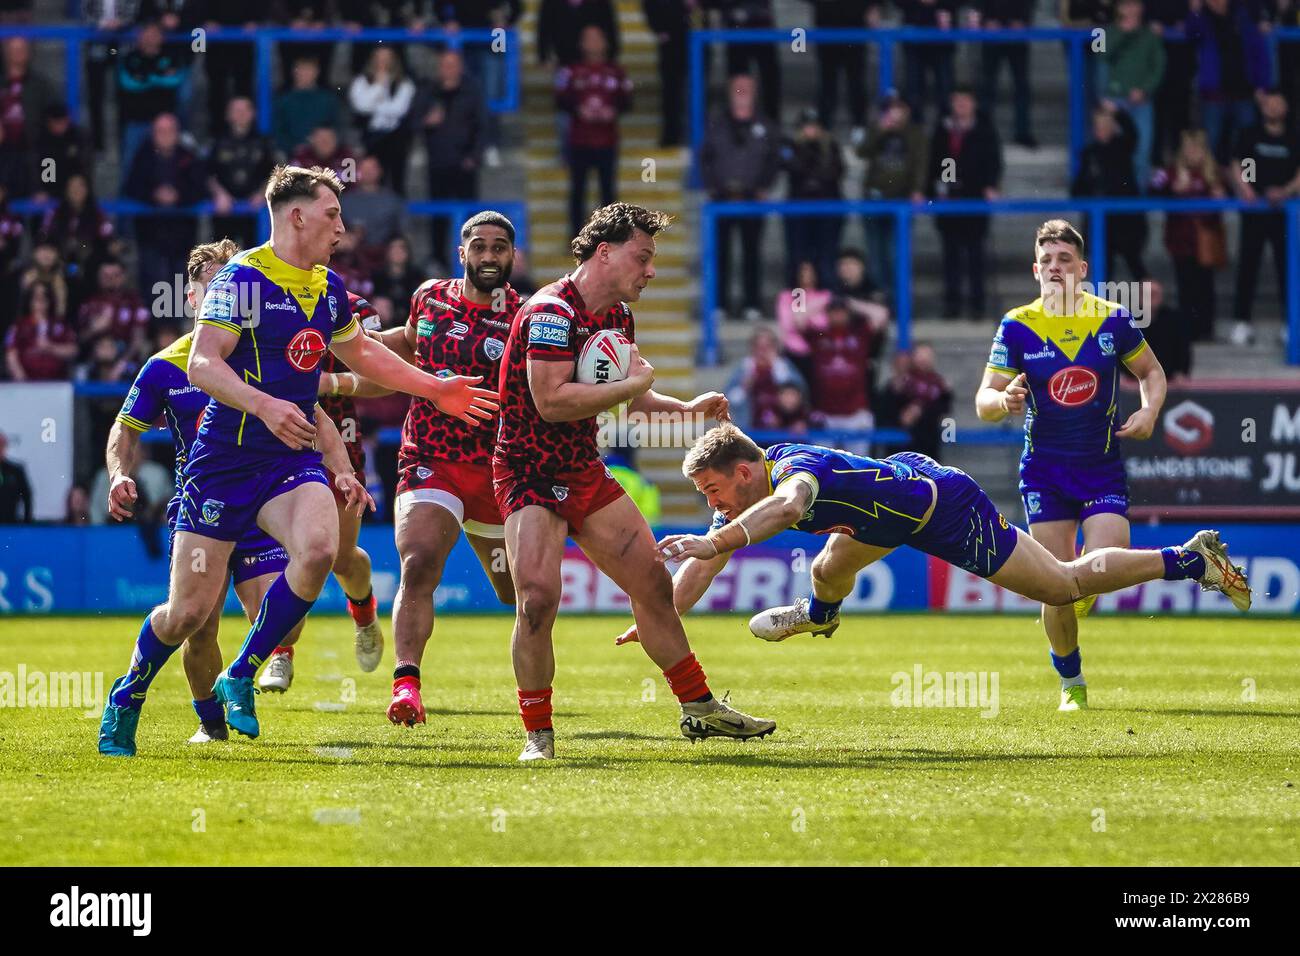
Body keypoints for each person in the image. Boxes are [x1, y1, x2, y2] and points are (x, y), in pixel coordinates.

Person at [97, 164, 499, 757]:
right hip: (223, 462)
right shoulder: (243, 280)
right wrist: (263, 406)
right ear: (297, 215)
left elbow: (362, 353)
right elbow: (204, 364)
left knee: (320, 551)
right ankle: (127, 694)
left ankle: (241, 672)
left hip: (289, 457)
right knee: (186, 614)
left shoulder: (327, 287)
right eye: (333, 213)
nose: (342, 226)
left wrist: (434, 388)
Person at [493, 201, 775, 760]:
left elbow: (635, 393)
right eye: (642, 257)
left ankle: (699, 708)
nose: (650, 271)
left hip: (580, 468)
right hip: (527, 469)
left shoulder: (616, 316)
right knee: (537, 600)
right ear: (605, 252)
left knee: (652, 586)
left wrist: (686, 409)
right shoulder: (551, 311)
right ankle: (538, 735)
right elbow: (551, 402)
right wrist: (632, 389)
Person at [638, 425, 1250, 655]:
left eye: (714, 490)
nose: (711, 505)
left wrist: (713, 543)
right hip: (886, 508)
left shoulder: (793, 474)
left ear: (743, 472)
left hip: (945, 511)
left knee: (1063, 584)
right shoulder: (747, 495)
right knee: (826, 570)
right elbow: (704, 570)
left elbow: (790, 505)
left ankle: (1188, 560)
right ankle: (820, 619)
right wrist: (659, 618)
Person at [106, 239, 323, 743]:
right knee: (191, 620)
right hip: (204, 500)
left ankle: (241, 677)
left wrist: (340, 466)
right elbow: (126, 428)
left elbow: (315, 413)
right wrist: (120, 472)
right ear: (191, 299)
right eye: (214, 287)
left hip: (261, 498)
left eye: (235, 287)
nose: (228, 296)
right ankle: (149, 700)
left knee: (285, 626)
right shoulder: (167, 365)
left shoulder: (265, 351)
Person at [975, 219, 1170, 711]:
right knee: (1056, 585)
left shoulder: (1112, 319)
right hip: (1044, 471)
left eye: (1065, 260)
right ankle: (1072, 682)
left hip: (1100, 466)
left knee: (1102, 567)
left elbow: (1150, 372)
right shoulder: (1017, 324)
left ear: (1082, 268)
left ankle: (1073, 594)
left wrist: (1149, 411)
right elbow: (983, 399)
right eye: (1047, 261)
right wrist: (1004, 402)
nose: (1055, 269)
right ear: (1035, 270)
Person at [354, 211, 523, 727]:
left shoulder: (528, 314)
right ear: (462, 252)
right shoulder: (430, 296)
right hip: (432, 458)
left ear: (512, 256)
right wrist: (352, 349)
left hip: (499, 468)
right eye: (480, 246)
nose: (489, 256)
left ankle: (535, 693)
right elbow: (411, 342)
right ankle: (407, 684)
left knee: (518, 591)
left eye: (499, 247)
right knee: (420, 561)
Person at [258, 293, 390, 693]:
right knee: (283, 556)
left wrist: (328, 382)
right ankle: (281, 653)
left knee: (341, 558)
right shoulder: (262, 298)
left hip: (341, 446)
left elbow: (382, 375)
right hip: (278, 440)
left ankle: (364, 613)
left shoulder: (353, 306)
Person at [701, 73, 779, 321]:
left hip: (752, 198)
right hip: (722, 200)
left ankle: (752, 303)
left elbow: (773, 160)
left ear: (755, 92)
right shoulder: (716, 124)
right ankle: (719, 305)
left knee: (751, 252)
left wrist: (764, 186)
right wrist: (713, 186)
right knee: (720, 254)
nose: (742, 92)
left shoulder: (765, 125)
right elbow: (704, 158)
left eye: (746, 88)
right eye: (737, 87)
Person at [1229, 89, 1300, 347]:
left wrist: (1286, 191)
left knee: (1287, 268)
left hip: (1284, 213)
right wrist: (1246, 188)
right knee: (1248, 265)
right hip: (1255, 211)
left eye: (1278, 103)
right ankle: (1241, 322)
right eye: (1269, 103)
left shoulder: (1293, 137)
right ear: (1263, 107)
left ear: (1286, 108)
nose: (1273, 108)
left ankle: (1290, 325)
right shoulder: (1250, 134)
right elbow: (1238, 164)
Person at [926, 87, 1001, 319]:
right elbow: (934, 162)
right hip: (949, 201)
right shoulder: (943, 129)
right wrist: (933, 189)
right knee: (951, 256)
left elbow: (994, 160)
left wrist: (991, 185)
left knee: (976, 254)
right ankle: (952, 304)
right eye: (957, 101)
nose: (961, 106)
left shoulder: (985, 130)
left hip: (975, 200)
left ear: (974, 104)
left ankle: (977, 304)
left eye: (965, 101)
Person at [557, 25, 632, 241]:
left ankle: (609, 236)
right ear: (581, 44)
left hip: (607, 140)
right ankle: (576, 238)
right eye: (588, 39)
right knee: (578, 190)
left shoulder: (616, 72)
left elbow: (627, 101)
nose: (593, 43)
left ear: (606, 42)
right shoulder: (571, 71)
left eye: (597, 38)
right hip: (579, 139)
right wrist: (578, 110)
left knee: (607, 190)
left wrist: (613, 111)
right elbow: (560, 100)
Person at [1150, 128, 1226, 342]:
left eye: (1197, 148)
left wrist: (1221, 194)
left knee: (1206, 286)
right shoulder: (1170, 172)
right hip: (1181, 241)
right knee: (1186, 285)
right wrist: (1172, 189)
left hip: (1206, 241)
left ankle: (1206, 330)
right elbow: (1151, 188)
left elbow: (1235, 187)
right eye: (1189, 148)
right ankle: (1188, 331)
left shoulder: (1213, 173)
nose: (1193, 153)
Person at [410, 49, 485, 262]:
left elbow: (483, 126)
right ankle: (438, 258)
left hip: (466, 164)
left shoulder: (473, 91)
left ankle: (473, 256)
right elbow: (412, 123)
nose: (448, 69)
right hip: (437, 164)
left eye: (453, 64)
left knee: (472, 216)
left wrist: (475, 157)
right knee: (438, 217)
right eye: (445, 64)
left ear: (460, 67)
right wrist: (427, 122)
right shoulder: (428, 92)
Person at [858, 92, 928, 301]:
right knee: (875, 253)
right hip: (873, 198)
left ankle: (900, 301)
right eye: (890, 108)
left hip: (901, 201)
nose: (894, 113)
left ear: (907, 110)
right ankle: (881, 298)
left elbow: (921, 163)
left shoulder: (916, 134)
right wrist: (880, 131)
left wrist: (918, 189)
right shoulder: (876, 130)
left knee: (896, 254)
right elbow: (861, 151)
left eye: (898, 107)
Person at [1071, 102, 1148, 280]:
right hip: (1101, 223)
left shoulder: (1123, 147)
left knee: (1135, 264)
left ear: (1113, 127)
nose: (1102, 129)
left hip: (1126, 219)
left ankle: (1152, 306)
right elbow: (1077, 189)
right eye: (1098, 125)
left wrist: (1118, 111)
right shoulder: (1089, 154)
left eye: (1106, 125)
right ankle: (1101, 307)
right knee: (1103, 271)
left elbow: (1133, 133)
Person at [1099, 0, 1164, 192]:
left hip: (1141, 102)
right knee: (1111, 153)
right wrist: (1122, 32)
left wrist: (1145, 89)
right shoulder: (1105, 33)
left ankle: (1140, 204)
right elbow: (1100, 59)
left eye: (1134, 4)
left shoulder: (1150, 35)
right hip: (1113, 104)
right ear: (1118, 8)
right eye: (1125, 5)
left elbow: (1158, 67)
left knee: (1142, 152)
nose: (1130, 9)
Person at [780, 108, 844, 287]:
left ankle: (826, 308)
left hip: (827, 214)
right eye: (806, 126)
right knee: (798, 263)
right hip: (798, 214)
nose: (811, 130)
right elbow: (792, 168)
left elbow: (834, 173)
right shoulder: (792, 147)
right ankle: (798, 309)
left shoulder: (831, 147)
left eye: (814, 126)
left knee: (826, 261)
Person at [206, 97, 280, 250]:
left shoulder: (264, 142)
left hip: (254, 211)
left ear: (253, 113)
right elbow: (206, 173)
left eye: (245, 110)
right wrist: (219, 194)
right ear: (228, 115)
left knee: (254, 261)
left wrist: (262, 193)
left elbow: (275, 172)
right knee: (222, 260)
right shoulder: (217, 141)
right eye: (236, 110)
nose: (241, 114)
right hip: (225, 211)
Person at [348, 47, 416, 194]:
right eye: (379, 58)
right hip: (370, 137)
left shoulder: (404, 83)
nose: (382, 62)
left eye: (387, 58)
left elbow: (399, 109)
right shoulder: (361, 81)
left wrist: (374, 105)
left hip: (396, 136)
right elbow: (361, 106)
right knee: (371, 178)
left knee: (397, 178)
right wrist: (379, 85)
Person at [975, 1, 1037, 148]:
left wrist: (1023, 20)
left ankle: (1022, 132)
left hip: (1017, 36)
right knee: (987, 87)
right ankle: (983, 133)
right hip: (991, 35)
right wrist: (986, 21)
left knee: (1021, 87)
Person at [642, 0, 691, 146]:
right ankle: (671, 136)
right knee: (671, 93)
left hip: (696, 42)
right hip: (670, 46)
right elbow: (650, 7)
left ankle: (693, 136)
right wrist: (659, 29)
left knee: (694, 91)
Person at [0, 431, 32, 522]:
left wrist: (27, 521)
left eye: (2, 445)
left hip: (10, 523)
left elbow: (27, 496)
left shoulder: (16, 470)